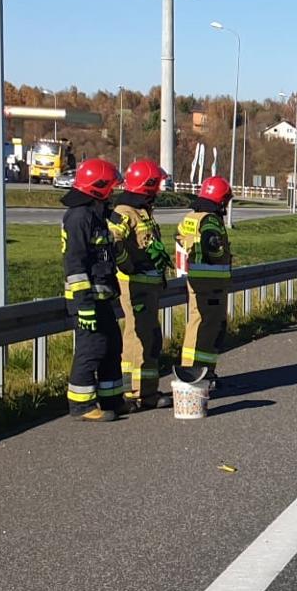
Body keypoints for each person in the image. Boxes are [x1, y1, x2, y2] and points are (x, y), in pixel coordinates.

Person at [61, 158, 125, 422]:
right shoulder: (79, 217)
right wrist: (83, 304)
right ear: (97, 187)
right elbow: (75, 265)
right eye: (109, 187)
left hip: (103, 296)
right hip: (87, 299)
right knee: (92, 349)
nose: (112, 192)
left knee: (112, 346)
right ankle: (82, 406)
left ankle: (112, 399)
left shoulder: (95, 213)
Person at [109, 159, 172, 410]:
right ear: (147, 185)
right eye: (156, 184)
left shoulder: (143, 209)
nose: (158, 189)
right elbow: (114, 242)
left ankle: (142, 390)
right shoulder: (126, 212)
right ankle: (138, 392)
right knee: (140, 337)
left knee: (147, 336)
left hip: (147, 287)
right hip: (136, 286)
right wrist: (128, 265)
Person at [176, 176, 233, 388]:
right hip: (211, 283)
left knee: (197, 324)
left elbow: (180, 237)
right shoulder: (210, 220)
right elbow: (212, 246)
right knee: (210, 328)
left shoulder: (192, 216)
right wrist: (220, 253)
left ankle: (194, 369)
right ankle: (200, 372)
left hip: (196, 280)